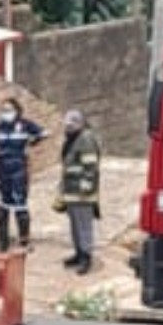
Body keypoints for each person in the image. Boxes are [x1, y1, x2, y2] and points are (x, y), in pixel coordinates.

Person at [0, 97, 46, 253]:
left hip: (18, 170)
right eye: (3, 110)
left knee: (20, 205)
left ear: (16, 110)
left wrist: (32, 142)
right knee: (1, 207)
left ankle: (24, 240)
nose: (5, 113)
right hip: (1, 170)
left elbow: (44, 133)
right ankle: (3, 242)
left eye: (8, 110)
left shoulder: (25, 125)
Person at [54, 108, 102, 275]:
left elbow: (90, 165)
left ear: (80, 123)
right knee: (75, 226)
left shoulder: (86, 139)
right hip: (71, 192)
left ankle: (86, 257)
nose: (68, 125)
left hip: (82, 194)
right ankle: (78, 253)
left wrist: (85, 186)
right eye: (67, 122)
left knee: (83, 226)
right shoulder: (72, 138)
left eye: (72, 122)